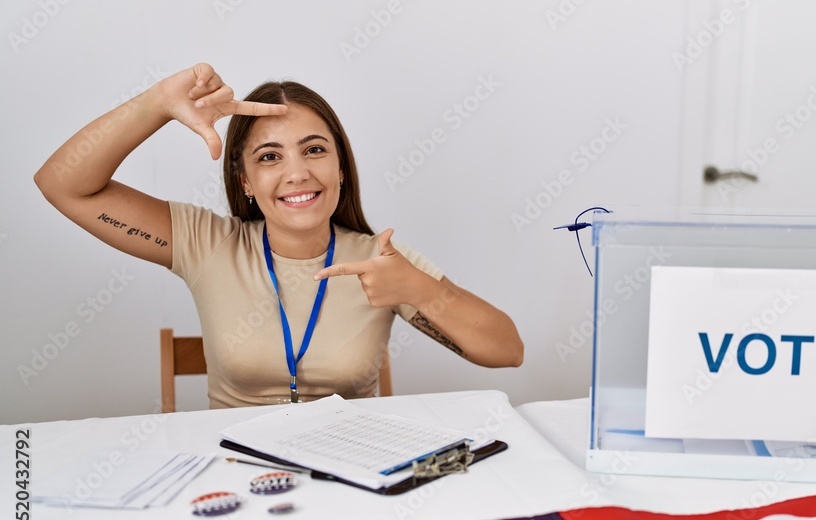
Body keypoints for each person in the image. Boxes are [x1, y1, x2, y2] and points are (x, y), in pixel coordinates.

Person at [34, 63, 523, 408]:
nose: (297, 173)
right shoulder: (205, 243)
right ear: (244, 180)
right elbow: (63, 184)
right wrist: (157, 103)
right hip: (235, 481)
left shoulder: (380, 258)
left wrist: (420, 289)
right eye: (269, 156)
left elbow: (508, 351)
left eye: (314, 150)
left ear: (341, 168)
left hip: (349, 480)